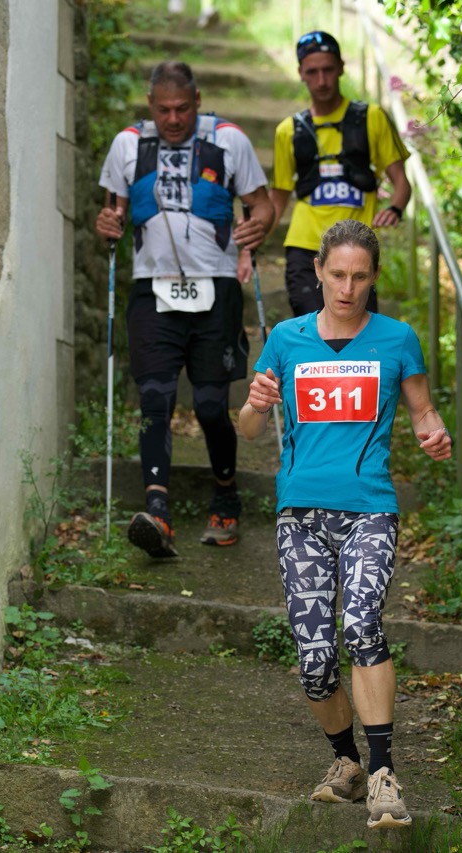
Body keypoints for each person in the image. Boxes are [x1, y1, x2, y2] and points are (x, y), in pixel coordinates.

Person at [238, 219, 451, 829]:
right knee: (313, 656)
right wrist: (254, 404)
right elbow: (248, 429)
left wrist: (434, 433)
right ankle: (347, 763)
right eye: (337, 275)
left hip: (369, 510)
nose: (347, 288)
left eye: (359, 277)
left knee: (360, 624)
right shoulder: (286, 339)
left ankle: (383, 773)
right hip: (299, 515)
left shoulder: (397, 339)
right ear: (318, 272)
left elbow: (423, 411)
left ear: (374, 276)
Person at [96, 60, 275, 558]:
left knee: (212, 407)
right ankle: (157, 512)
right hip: (152, 289)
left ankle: (226, 496)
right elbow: (112, 211)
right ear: (150, 106)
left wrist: (259, 226)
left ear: (197, 101)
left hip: (215, 287)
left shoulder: (229, 140)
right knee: (154, 399)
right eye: (163, 110)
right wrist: (107, 224)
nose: (173, 119)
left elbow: (262, 204)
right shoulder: (128, 145)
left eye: (182, 109)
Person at [264, 30, 412, 317]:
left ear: (342, 67)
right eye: (312, 72)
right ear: (301, 73)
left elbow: (401, 183)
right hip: (305, 249)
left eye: (328, 70)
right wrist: (251, 246)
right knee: (312, 333)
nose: (321, 80)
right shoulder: (287, 131)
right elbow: (277, 199)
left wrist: (394, 207)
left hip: (357, 252)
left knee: (357, 335)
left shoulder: (372, 118)